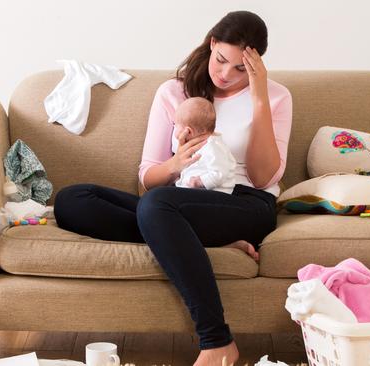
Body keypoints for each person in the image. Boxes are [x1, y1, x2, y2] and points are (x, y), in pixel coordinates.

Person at [54, 10, 292, 365]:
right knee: (72, 200)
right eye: (222, 60)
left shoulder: (275, 97)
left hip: (245, 204)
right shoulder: (174, 92)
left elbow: (263, 178)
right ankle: (192, 239)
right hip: (182, 200)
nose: (226, 75)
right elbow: (147, 178)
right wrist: (176, 164)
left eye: (241, 68)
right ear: (212, 44)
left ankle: (217, 342)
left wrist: (258, 98)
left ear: (257, 65)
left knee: (156, 207)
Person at [173, 97, 236, 194]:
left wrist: (200, 181)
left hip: (214, 194)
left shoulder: (213, 147)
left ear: (188, 131)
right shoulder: (199, 146)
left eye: (176, 125)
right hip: (196, 192)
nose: (174, 128)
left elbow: (220, 173)